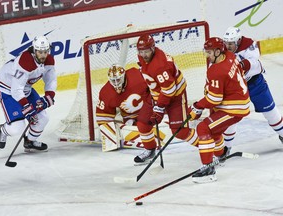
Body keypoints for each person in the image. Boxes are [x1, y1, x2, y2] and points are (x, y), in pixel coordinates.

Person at [187, 37, 250, 183]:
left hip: (233, 108)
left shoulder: (217, 70)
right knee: (214, 130)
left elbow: (215, 99)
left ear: (217, 51)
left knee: (203, 128)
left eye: (209, 52)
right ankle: (221, 155)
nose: (206, 55)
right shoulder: (229, 55)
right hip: (237, 101)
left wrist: (197, 106)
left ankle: (208, 169)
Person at [136, 34, 198, 163]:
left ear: (153, 48)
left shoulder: (160, 65)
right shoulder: (143, 57)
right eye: (140, 51)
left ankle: (209, 146)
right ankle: (150, 150)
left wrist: (159, 109)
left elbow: (170, 90)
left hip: (175, 96)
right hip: (157, 95)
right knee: (143, 123)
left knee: (180, 131)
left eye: (146, 51)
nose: (143, 55)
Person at [222, 27, 283, 150]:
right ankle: (226, 148)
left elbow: (254, 63)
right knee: (231, 116)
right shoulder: (221, 50)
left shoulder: (249, 45)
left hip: (255, 84)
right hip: (235, 89)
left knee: (271, 113)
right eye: (226, 43)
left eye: (230, 43)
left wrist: (239, 66)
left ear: (238, 41)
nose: (227, 46)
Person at [0, 35, 57, 152]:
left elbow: (51, 80)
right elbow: (15, 90)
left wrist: (49, 97)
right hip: (7, 89)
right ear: (34, 51)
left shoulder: (49, 60)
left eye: (45, 52)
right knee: (16, 128)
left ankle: (29, 141)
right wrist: (27, 108)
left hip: (26, 89)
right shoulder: (25, 61)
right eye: (40, 52)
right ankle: (3, 130)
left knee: (43, 118)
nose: (43, 55)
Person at [96, 64, 159, 164]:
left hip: (149, 110)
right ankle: (150, 143)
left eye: (118, 79)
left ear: (124, 75)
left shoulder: (137, 75)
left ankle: (149, 143)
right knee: (130, 125)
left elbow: (156, 87)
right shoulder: (106, 92)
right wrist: (110, 138)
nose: (116, 83)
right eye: (113, 80)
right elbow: (103, 116)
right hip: (130, 118)